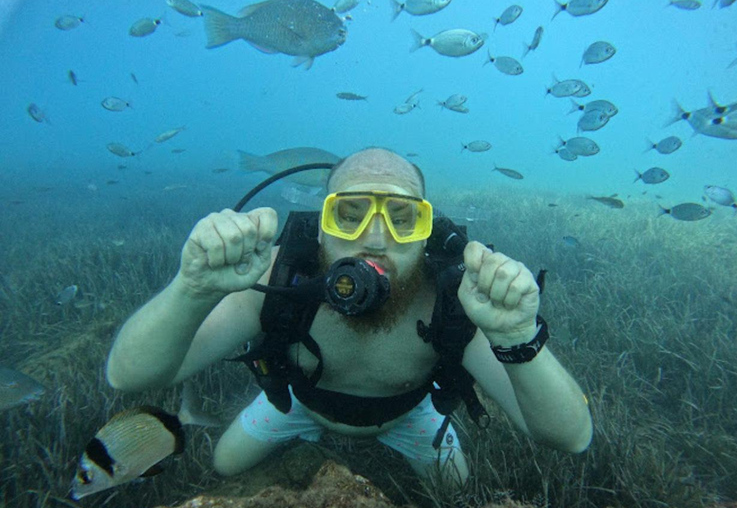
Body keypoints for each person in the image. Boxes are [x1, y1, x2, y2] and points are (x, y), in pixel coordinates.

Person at [106, 147, 592, 486]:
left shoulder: (455, 299)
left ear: (427, 232)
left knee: (456, 492)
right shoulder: (282, 277)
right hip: (298, 404)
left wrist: (517, 335)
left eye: (402, 218)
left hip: (410, 415)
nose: (374, 239)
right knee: (225, 463)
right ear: (320, 227)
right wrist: (191, 289)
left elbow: (570, 437)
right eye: (350, 214)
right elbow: (129, 375)